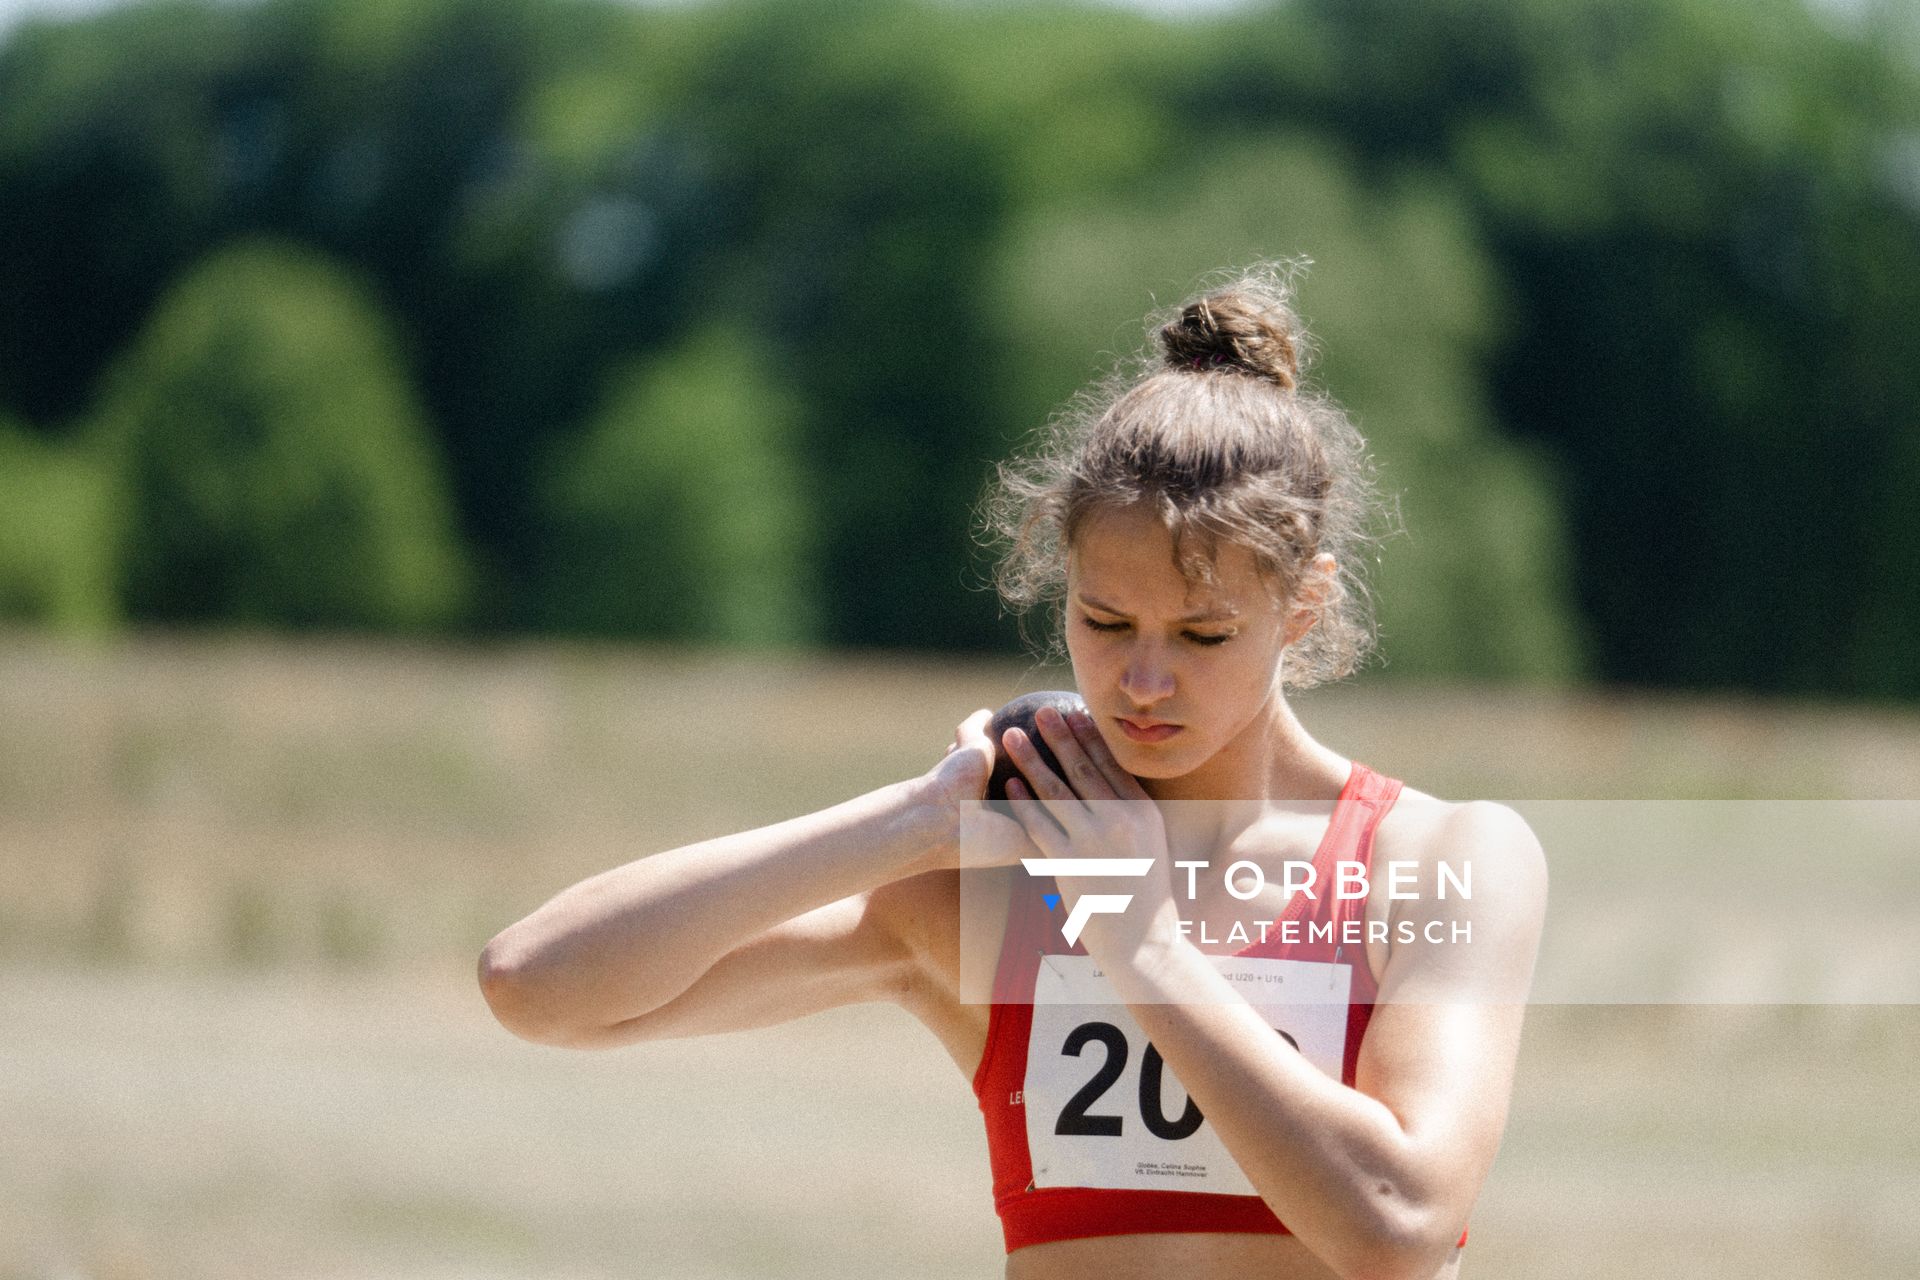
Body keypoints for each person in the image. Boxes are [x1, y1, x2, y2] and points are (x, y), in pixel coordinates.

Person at [478, 264, 1548, 1280]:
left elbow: (1395, 1223)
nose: (1142, 678)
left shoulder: (1443, 857)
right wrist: (910, 819)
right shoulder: (991, 886)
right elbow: (539, 984)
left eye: (1204, 633)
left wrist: (1143, 943)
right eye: (1103, 619)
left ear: (1300, 607)